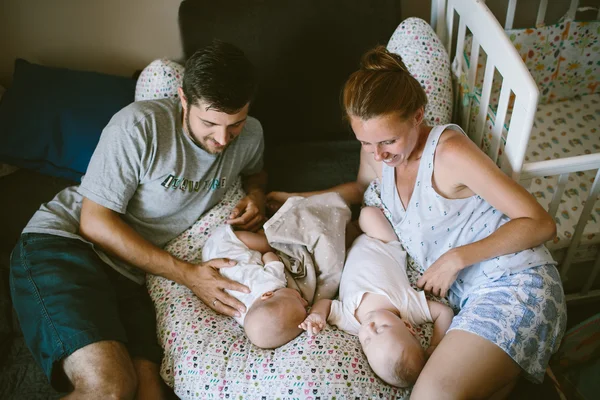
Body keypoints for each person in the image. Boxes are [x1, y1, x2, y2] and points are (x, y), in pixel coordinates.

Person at [267, 45, 566, 398]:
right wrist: (295, 198)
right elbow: (361, 188)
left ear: (418, 116)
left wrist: (456, 259)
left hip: (513, 282)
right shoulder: (380, 157)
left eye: (388, 141)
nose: (378, 155)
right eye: (365, 142)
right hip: (464, 298)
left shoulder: (449, 152)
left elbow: (541, 223)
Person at [10, 40, 267, 400]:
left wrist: (255, 196)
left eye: (234, 124)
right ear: (183, 99)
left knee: (150, 391)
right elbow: (94, 223)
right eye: (209, 122)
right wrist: (189, 275)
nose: (223, 139)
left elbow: (256, 173)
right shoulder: (139, 126)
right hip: (64, 246)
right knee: (110, 387)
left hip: (131, 276)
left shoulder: (251, 134)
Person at [299, 205, 454, 387]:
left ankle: (350, 226)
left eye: (367, 341)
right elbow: (444, 313)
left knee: (323, 236)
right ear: (406, 326)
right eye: (382, 328)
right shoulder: (409, 308)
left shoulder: (349, 321)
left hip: (345, 253)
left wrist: (317, 315)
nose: (370, 327)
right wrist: (436, 343)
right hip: (383, 242)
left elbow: (326, 303)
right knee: (368, 213)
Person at [202, 224, 308, 348]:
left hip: (228, 243)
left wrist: (273, 259)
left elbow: (269, 256)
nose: (305, 302)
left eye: (299, 300)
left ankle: (260, 231)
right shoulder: (242, 316)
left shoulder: (273, 282)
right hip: (208, 259)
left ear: (268, 294)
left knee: (267, 245)